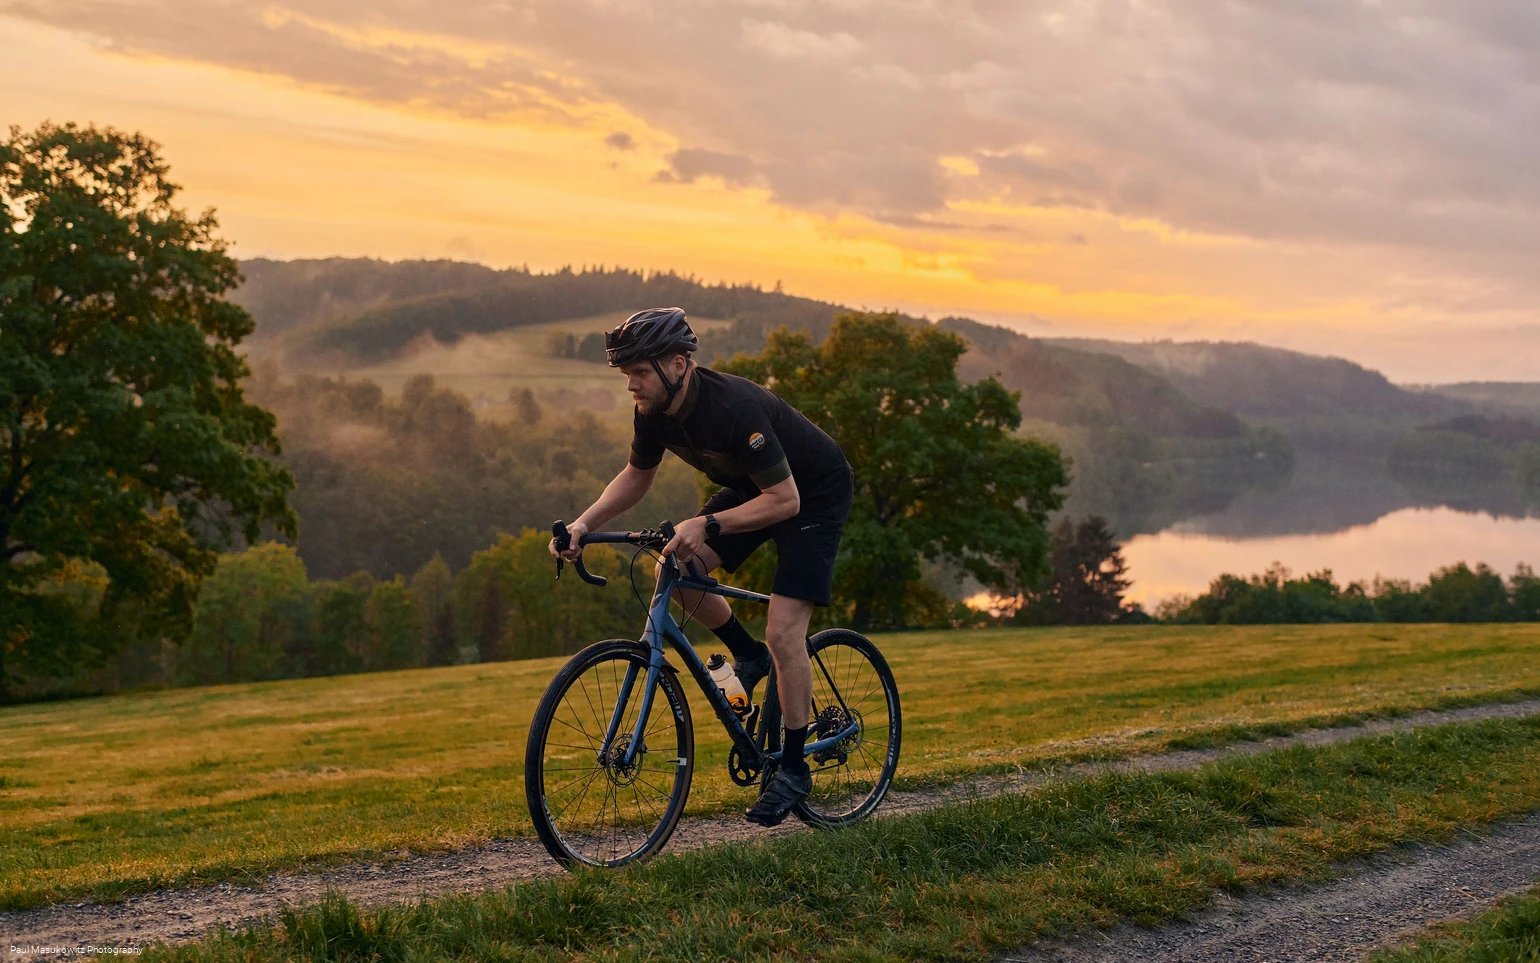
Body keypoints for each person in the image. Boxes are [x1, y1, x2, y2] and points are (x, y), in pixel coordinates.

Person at [549, 307, 854, 826]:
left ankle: (796, 766)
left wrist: (707, 526)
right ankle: (746, 655)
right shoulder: (654, 411)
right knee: (676, 570)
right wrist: (581, 524)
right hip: (754, 487)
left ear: (678, 363)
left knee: (786, 633)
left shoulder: (733, 408)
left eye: (639, 374)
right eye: (627, 376)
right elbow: (636, 475)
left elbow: (785, 500)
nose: (632, 386)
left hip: (811, 495)